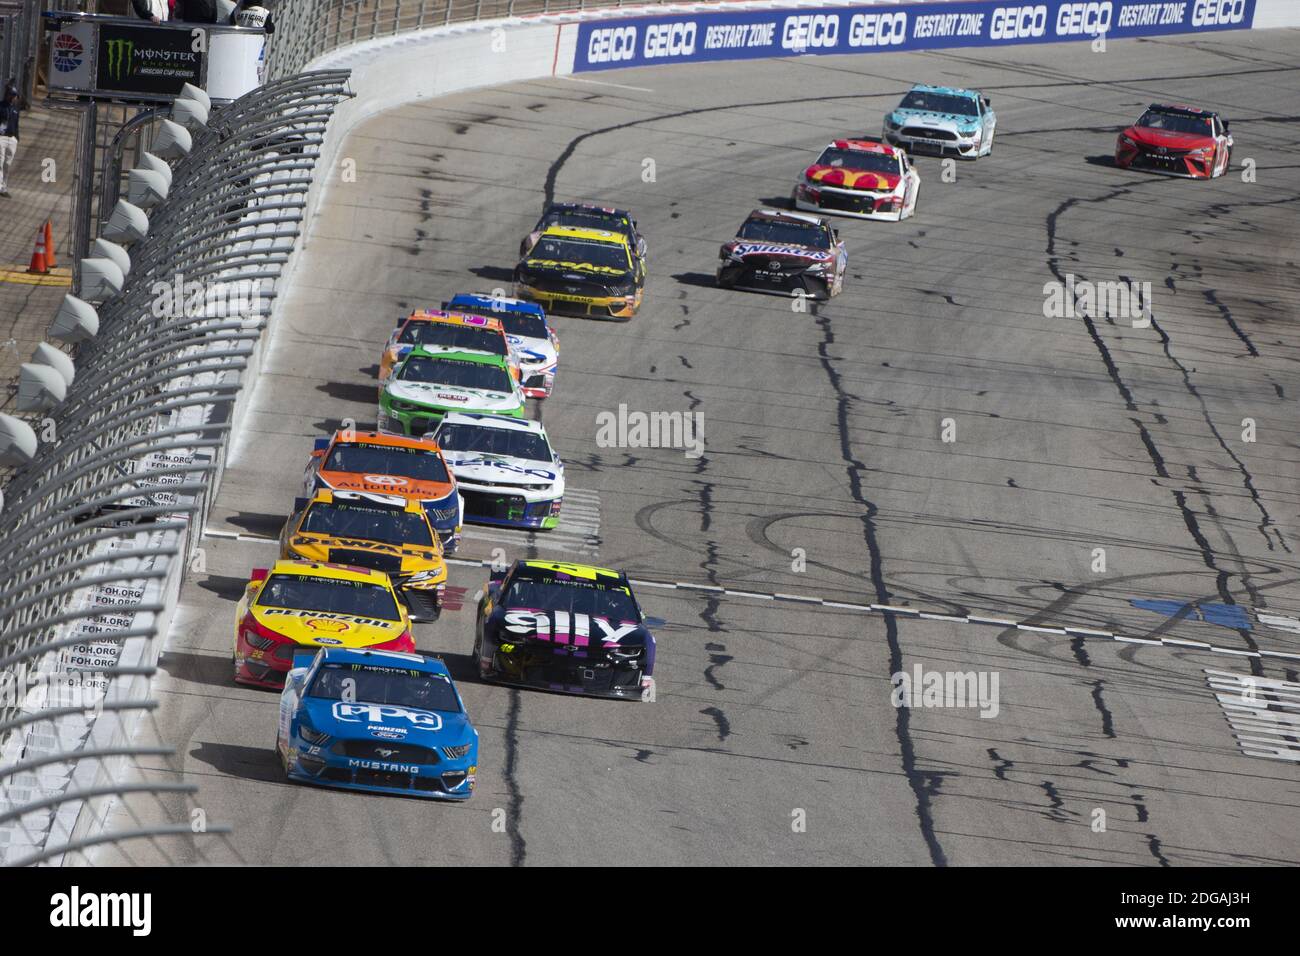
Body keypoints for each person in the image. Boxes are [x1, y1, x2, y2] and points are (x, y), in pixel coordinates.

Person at [0, 83, 19, 199]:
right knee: (0, 162)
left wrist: (17, 137)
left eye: (14, 95)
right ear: (7, 95)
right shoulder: (1, 106)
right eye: (11, 95)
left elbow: (17, 124)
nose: (13, 97)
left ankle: (4, 186)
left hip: (12, 139)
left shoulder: (15, 109)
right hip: (1, 137)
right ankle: (1, 188)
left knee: (7, 164)